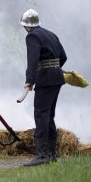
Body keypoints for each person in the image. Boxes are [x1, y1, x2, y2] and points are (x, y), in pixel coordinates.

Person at [19, 9, 67, 166]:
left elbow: (32, 60)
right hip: (57, 77)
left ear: (26, 26)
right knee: (49, 115)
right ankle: (51, 154)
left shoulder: (32, 36)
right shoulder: (51, 34)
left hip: (45, 78)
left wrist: (29, 81)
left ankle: (41, 155)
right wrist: (54, 68)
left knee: (40, 114)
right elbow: (63, 57)